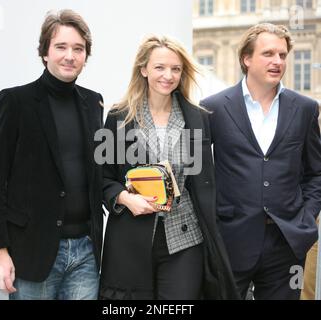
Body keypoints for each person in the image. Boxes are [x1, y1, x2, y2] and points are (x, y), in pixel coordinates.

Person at [99, 35, 239, 300]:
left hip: (185, 239)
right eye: (160, 67)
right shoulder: (118, 117)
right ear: (143, 70)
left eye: (176, 69)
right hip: (132, 238)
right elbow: (103, 179)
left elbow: (203, 180)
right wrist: (126, 198)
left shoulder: (197, 117)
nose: (168, 75)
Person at [0, 9, 104, 300]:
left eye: (78, 49)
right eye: (61, 47)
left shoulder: (93, 102)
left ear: (86, 56)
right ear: (45, 52)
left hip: (86, 253)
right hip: (32, 252)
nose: (70, 56)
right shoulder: (14, 102)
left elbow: (98, 172)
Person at [200, 23, 321, 300]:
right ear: (246, 58)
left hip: (287, 241)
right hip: (231, 239)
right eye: (268, 54)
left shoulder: (304, 108)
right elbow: (201, 172)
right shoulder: (213, 108)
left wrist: (307, 215)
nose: (277, 61)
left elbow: (316, 172)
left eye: (282, 55)